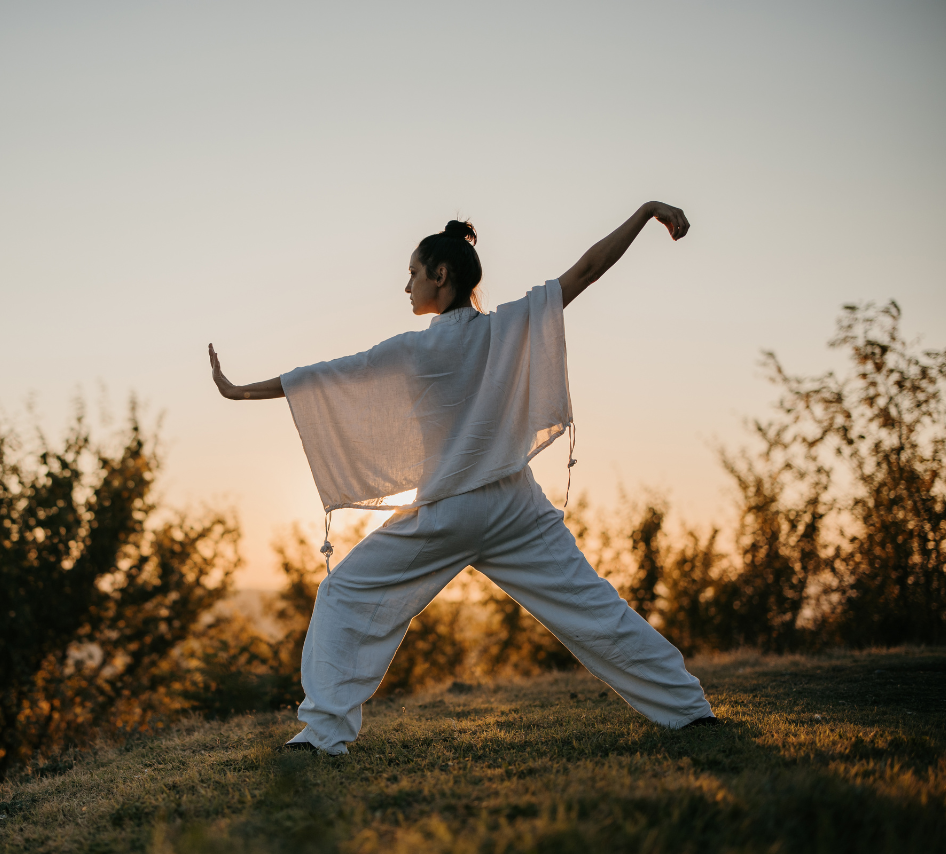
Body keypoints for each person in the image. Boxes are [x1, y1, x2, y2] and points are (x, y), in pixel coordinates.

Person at [207, 202, 718, 756]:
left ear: (440, 275)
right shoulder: (508, 328)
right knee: (592, 608)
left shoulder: (412, 348)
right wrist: (644, 214)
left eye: (412, 273)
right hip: (515, 507)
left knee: (344, 594)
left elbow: (320, 381)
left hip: (448, 512)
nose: (405, 286)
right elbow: (587, 270)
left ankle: (323, 733)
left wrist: (239, 391)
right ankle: (690, 711)